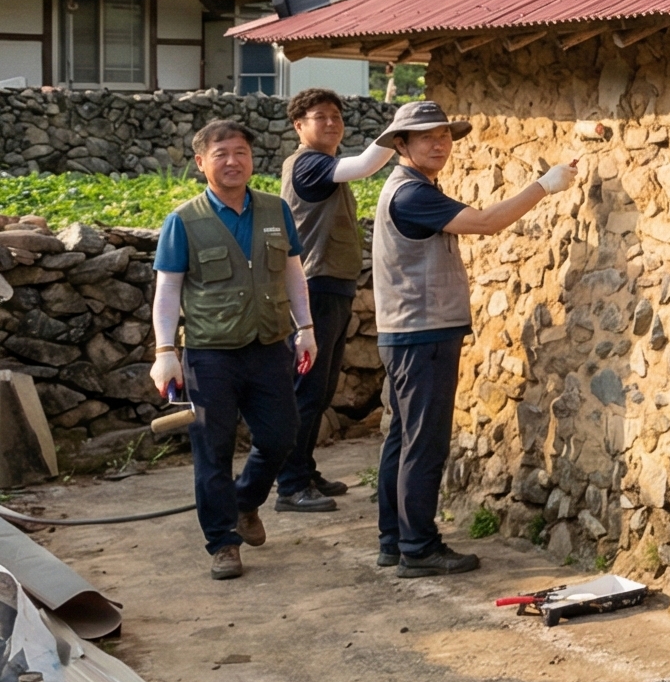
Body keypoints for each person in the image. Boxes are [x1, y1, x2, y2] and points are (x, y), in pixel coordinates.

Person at [371, 100, 575, 578]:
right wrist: (544, 186)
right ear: (400, 144)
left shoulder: (410, 188)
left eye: (443, 134)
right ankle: (418, 547)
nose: (439, 143)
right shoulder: (412, 195)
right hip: (421, 332)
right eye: (426, 137)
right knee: (424, 444)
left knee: (403, 440)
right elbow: (485, 222)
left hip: (407, 332)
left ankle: (394, 540)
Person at [149, 121, 319, 581]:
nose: (232, 161)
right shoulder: (184, 220)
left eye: (240, 152)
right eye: (220, 153)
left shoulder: (275, 210)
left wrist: (305, 328)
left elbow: (292, 274)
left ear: (251, 158)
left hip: (269, 345)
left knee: (282, 436)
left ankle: (246, 501)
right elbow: (167, 293)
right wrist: (166, 351)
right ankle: (223, 542)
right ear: (201, 162)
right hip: (210, 353)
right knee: (213, 451)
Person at [274, 88, 394, 511]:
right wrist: (401, 131)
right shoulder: (308, 165)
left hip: (332, 286)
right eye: (320, 116)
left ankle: (303, 469)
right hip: (313, 288)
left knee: (320, 388)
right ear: (299, 126)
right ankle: (290, 485)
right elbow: (364, 165)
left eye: (336, 117)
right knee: (307, 388)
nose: (331, 123)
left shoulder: (324, 166)